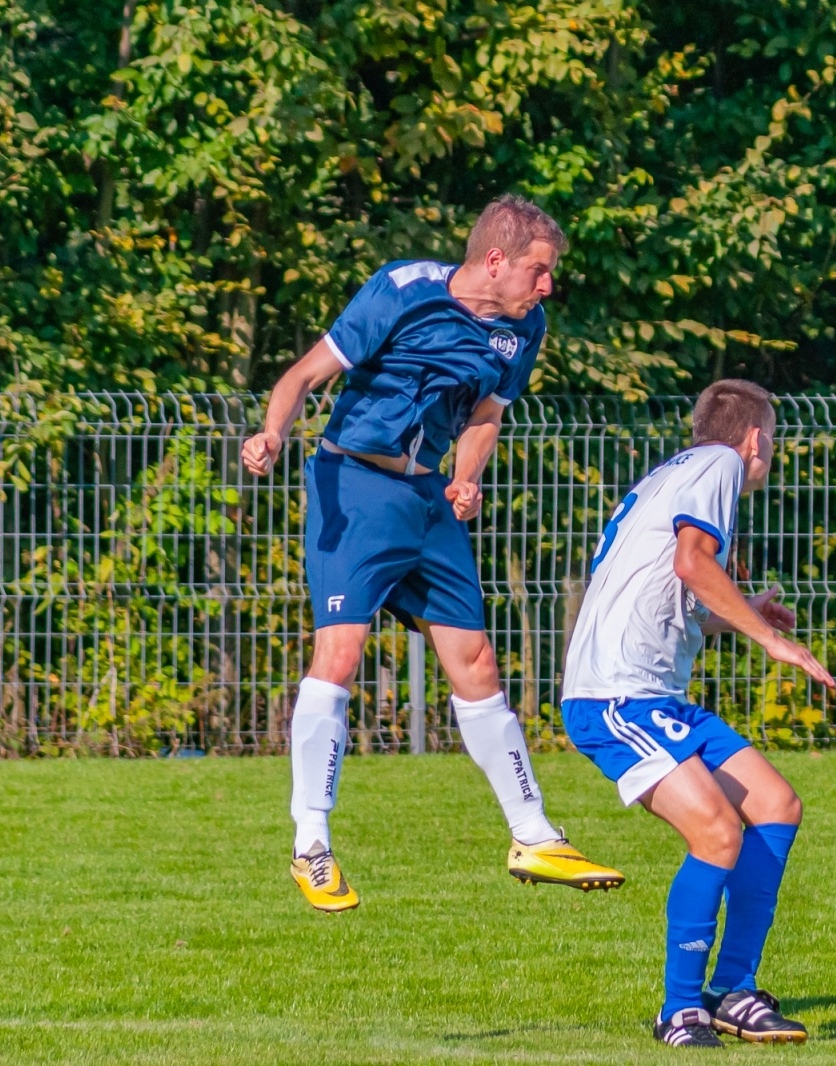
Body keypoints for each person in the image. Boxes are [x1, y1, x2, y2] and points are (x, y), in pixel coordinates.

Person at [241, 194, 623, 912]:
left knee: (476, 661)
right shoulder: (402, 291)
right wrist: (272, 434)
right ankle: (311, 845)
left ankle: (534, 835)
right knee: (342, 653)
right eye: (539, 271)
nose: (548, 286)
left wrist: (467, 478)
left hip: (427, 503)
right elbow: (301, 377)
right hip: (353, 487)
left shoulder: (524, 328)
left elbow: (485, 414)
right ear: (496, 260)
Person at [560, 379, 836, 1048]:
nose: (769, 453)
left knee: (775, 804)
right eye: (771, 440)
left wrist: (726, 618)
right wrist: (770, 638)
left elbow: (666, 588)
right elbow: (692, 562)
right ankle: (679, 1009)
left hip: (653, 696)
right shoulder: (719, 465)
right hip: (616, 698)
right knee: (717, 832)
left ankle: (734, 993)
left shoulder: (677, 471)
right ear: (755, 439)